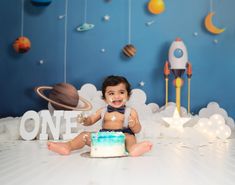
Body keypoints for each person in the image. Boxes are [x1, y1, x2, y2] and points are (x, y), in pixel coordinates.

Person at [47, 75, 152, 157]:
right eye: (111, 93)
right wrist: (85, 120)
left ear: (128, 96)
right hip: (104, 138)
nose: (116, 96)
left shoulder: (130, 111)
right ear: (104, 98)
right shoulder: (103, 111)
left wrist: (134, 124)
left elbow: (138, 129)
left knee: (130, 138)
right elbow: (91, 120)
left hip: (122, 138)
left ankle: (133, 149)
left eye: (121, 92)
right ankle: (68, 146)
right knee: (84, 135)